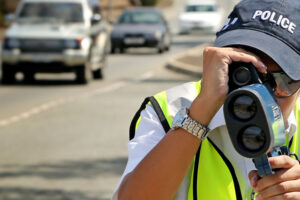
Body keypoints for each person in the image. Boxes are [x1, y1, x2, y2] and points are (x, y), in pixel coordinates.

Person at [113, 0, 300, 199]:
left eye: (281, 81)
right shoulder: (169, 110)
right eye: (244, 73)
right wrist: (199, 113)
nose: (260, 95)